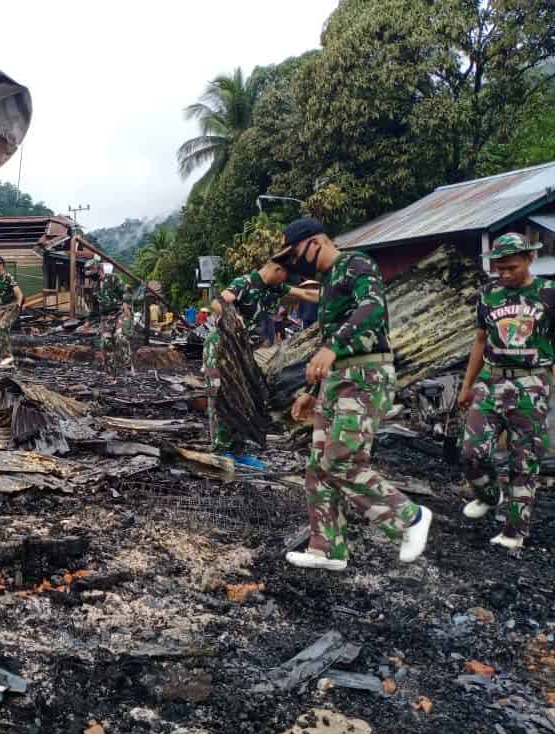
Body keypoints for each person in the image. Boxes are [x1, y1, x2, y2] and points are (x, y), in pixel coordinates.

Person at [278, 218, 431, 571]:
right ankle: (327, 548)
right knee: (318, 466)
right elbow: (328, 342)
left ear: (315, 242)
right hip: (335, 380)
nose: (295, 263)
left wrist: (332, 348)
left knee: (343, 460)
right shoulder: (329, 282)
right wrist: (310, 391)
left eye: (297, 254)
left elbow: (372, 308)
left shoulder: (357, 263)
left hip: (364, 374)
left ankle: (411, 517)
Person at [457, 233, 555, 550]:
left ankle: (514, 533)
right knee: (471, 452)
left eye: (510, 267)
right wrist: (467, 385)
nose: (504, 273)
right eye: (499, 268)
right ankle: (489, 494)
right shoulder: (488, 294)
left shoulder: (549, 293)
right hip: (492, 379)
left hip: (533, 382)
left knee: (523, 462)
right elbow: (480, 340)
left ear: (529, 259)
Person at [204, 262, 318, 469]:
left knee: (244, 399)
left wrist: (337, 295)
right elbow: (217, 302)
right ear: (277, 269)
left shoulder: (275, 287)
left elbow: (306, 294)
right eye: (285, 277)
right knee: (221, 396)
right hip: (223, 348)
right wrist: (233, 315)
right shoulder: (244, 283)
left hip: (246, 352)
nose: (285, 282)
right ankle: (220, 452)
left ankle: (237, 451)